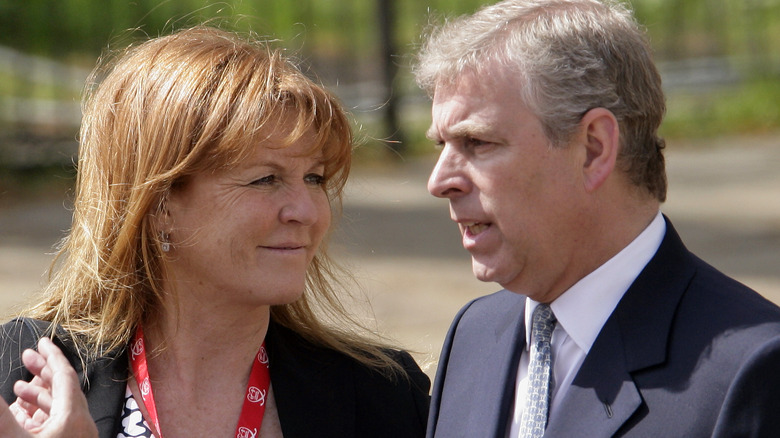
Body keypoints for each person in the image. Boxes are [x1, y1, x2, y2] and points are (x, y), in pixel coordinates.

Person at [0, 26, 430, 438]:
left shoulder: (380, 396)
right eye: (265, 179)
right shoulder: (20, 370)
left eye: (314, 179)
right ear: (159, 203)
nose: (306, 211)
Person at [413, 0, 780, 437]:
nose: (439, 182)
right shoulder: (474, 336)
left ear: (594, 148)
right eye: (442, 145)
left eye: (476, 142)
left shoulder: (751, 369)